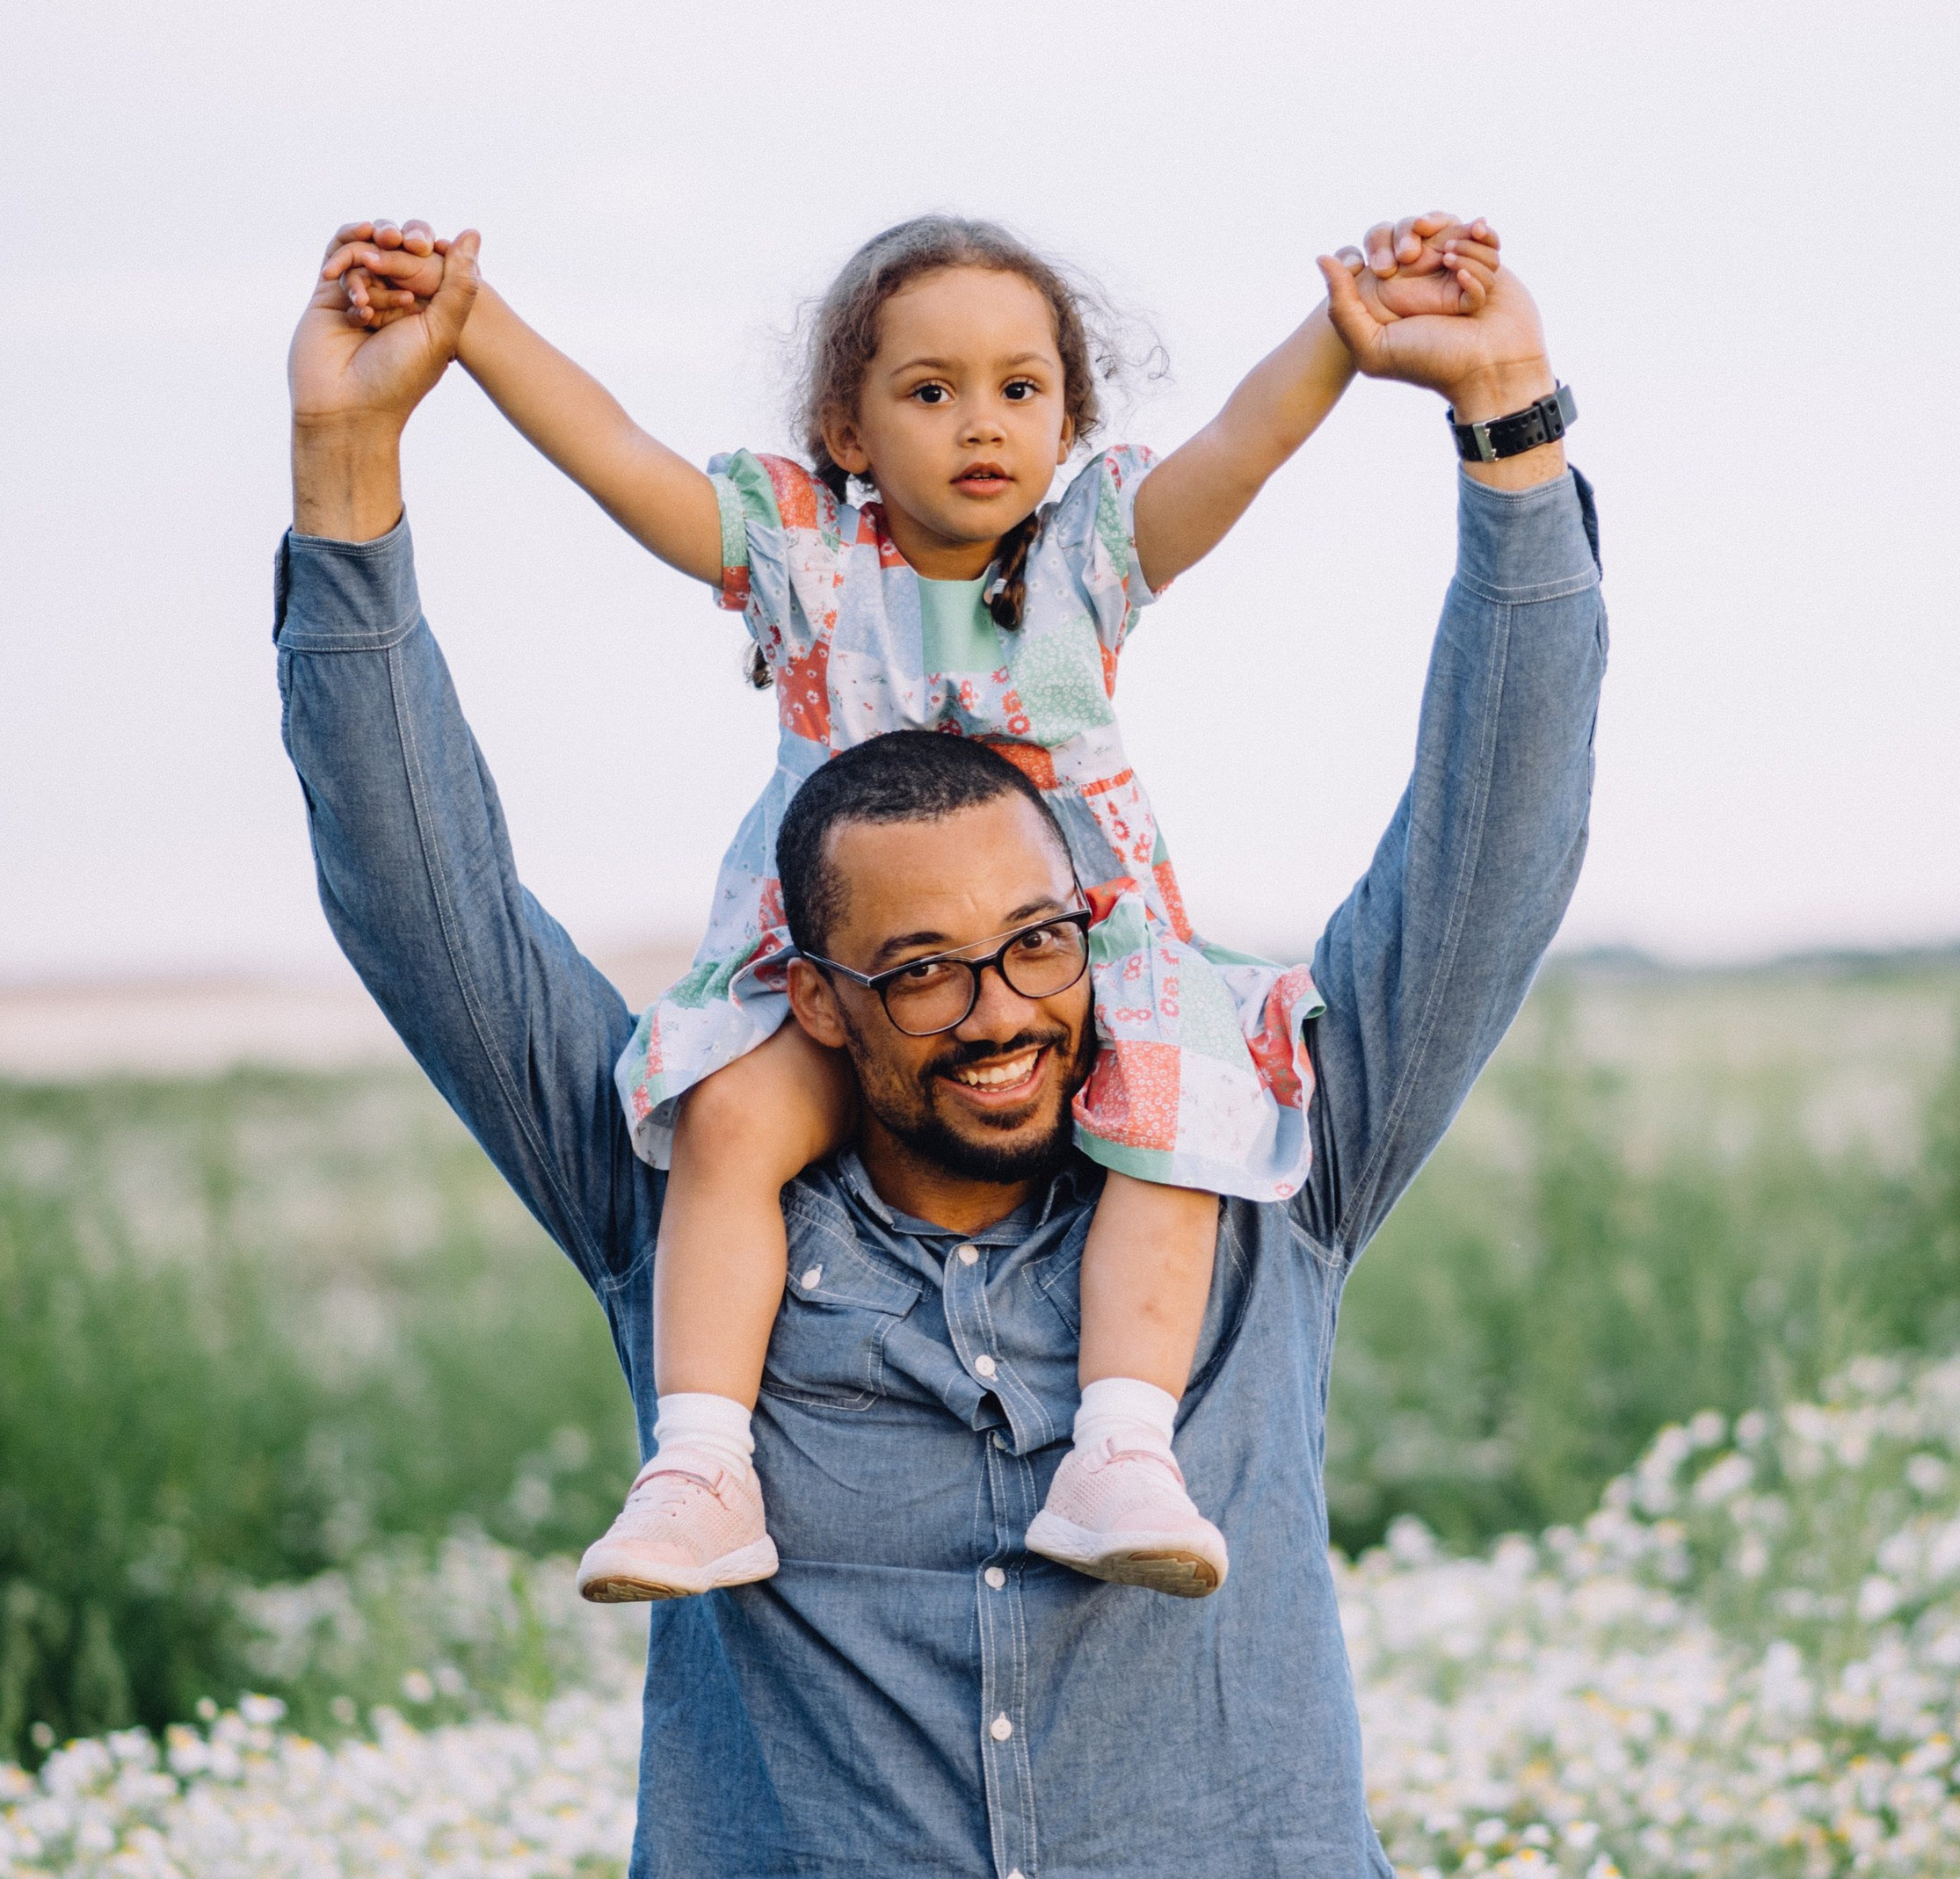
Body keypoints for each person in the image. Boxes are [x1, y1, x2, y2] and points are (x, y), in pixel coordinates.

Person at [278, 204, 1606, 1879]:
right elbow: (417, 892)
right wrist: (349, 474)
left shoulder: (1266, 1174)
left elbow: (1489, 862)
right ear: (815, 994)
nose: (992, 1010)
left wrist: (1510, 446)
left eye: (1033, 949)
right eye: (914, 971)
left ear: (1103, 933)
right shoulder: (675, 1201)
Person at [320, 207, 1502, 1613]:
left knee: (1176, 1119)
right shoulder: (803, 558)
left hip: (1083, 958)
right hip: (852, 973)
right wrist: (470, 323)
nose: (979, 423)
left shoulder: (1091, 560)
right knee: (731, 1119)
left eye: (1020, 389)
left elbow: (1242, 445)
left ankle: (1123, 1449)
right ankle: (701, 1466)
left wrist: (1343, 334)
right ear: (851, 425)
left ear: (1070, 421)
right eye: (929, 391)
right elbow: (620, 456)